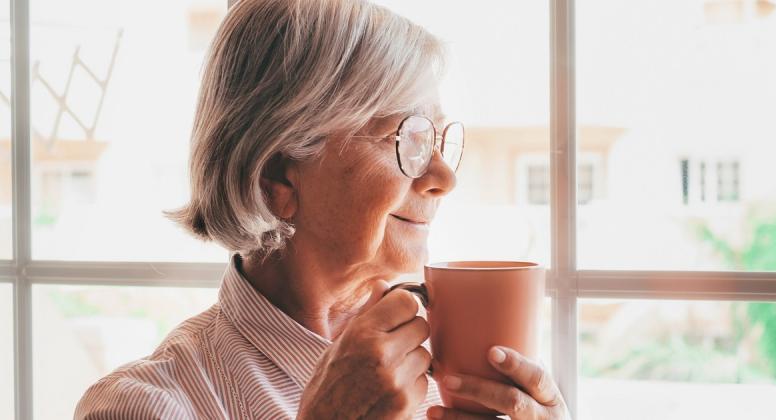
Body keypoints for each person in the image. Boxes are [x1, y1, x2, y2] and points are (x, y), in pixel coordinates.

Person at [75, 0, 571, 418]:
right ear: (276, 174)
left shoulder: (464, 370)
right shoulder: (146, 405)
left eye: (440, 140)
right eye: (408, 139)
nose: (445, 177)